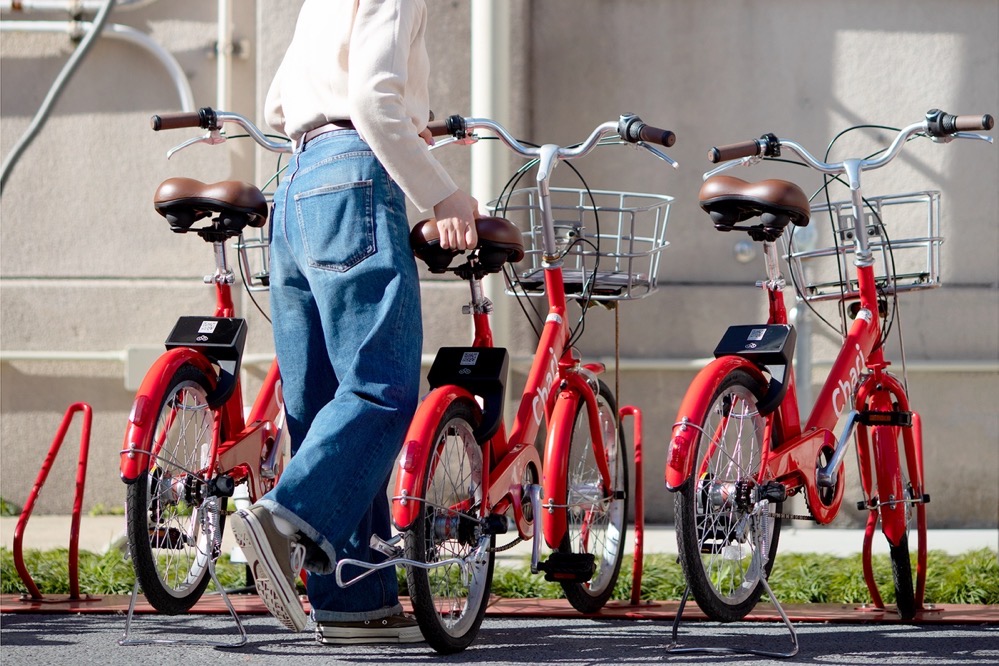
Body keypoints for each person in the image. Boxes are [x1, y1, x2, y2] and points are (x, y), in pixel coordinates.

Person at [230, 0, 480, 645]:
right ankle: (286, 516)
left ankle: (355, 600)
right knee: (381, 388)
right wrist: (443, 192)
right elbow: (372, 100)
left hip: (295, 182)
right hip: (353, 174)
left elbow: (277, 107)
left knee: (321, 408)